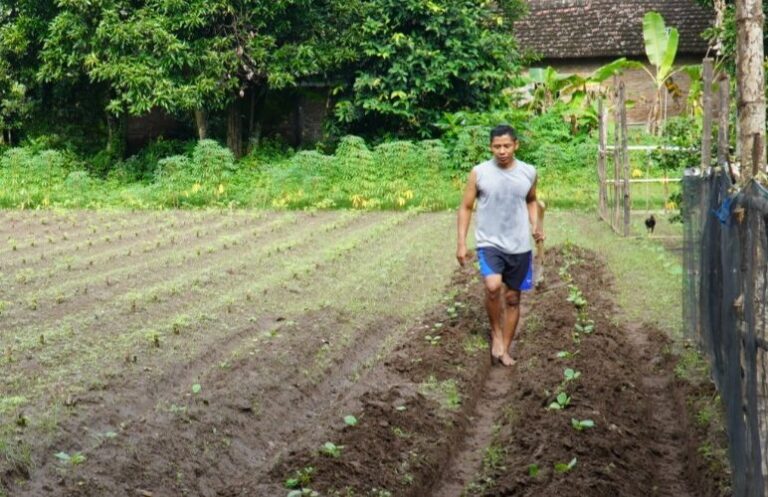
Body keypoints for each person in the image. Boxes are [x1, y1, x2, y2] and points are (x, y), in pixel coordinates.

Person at [456, 124, 544, 367]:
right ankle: (496, 332)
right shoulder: (479, 173)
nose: (502, 151)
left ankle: (505, 348)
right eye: (497, 147)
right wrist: (461, 243)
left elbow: (532, 200)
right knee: (493, 286)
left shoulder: (528, 172)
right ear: (490, 147)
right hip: (489, 242)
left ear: (516, 145)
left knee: (513, 298)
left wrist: (535, 224)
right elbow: (466, 207)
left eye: (506, 146)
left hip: (520, 245)